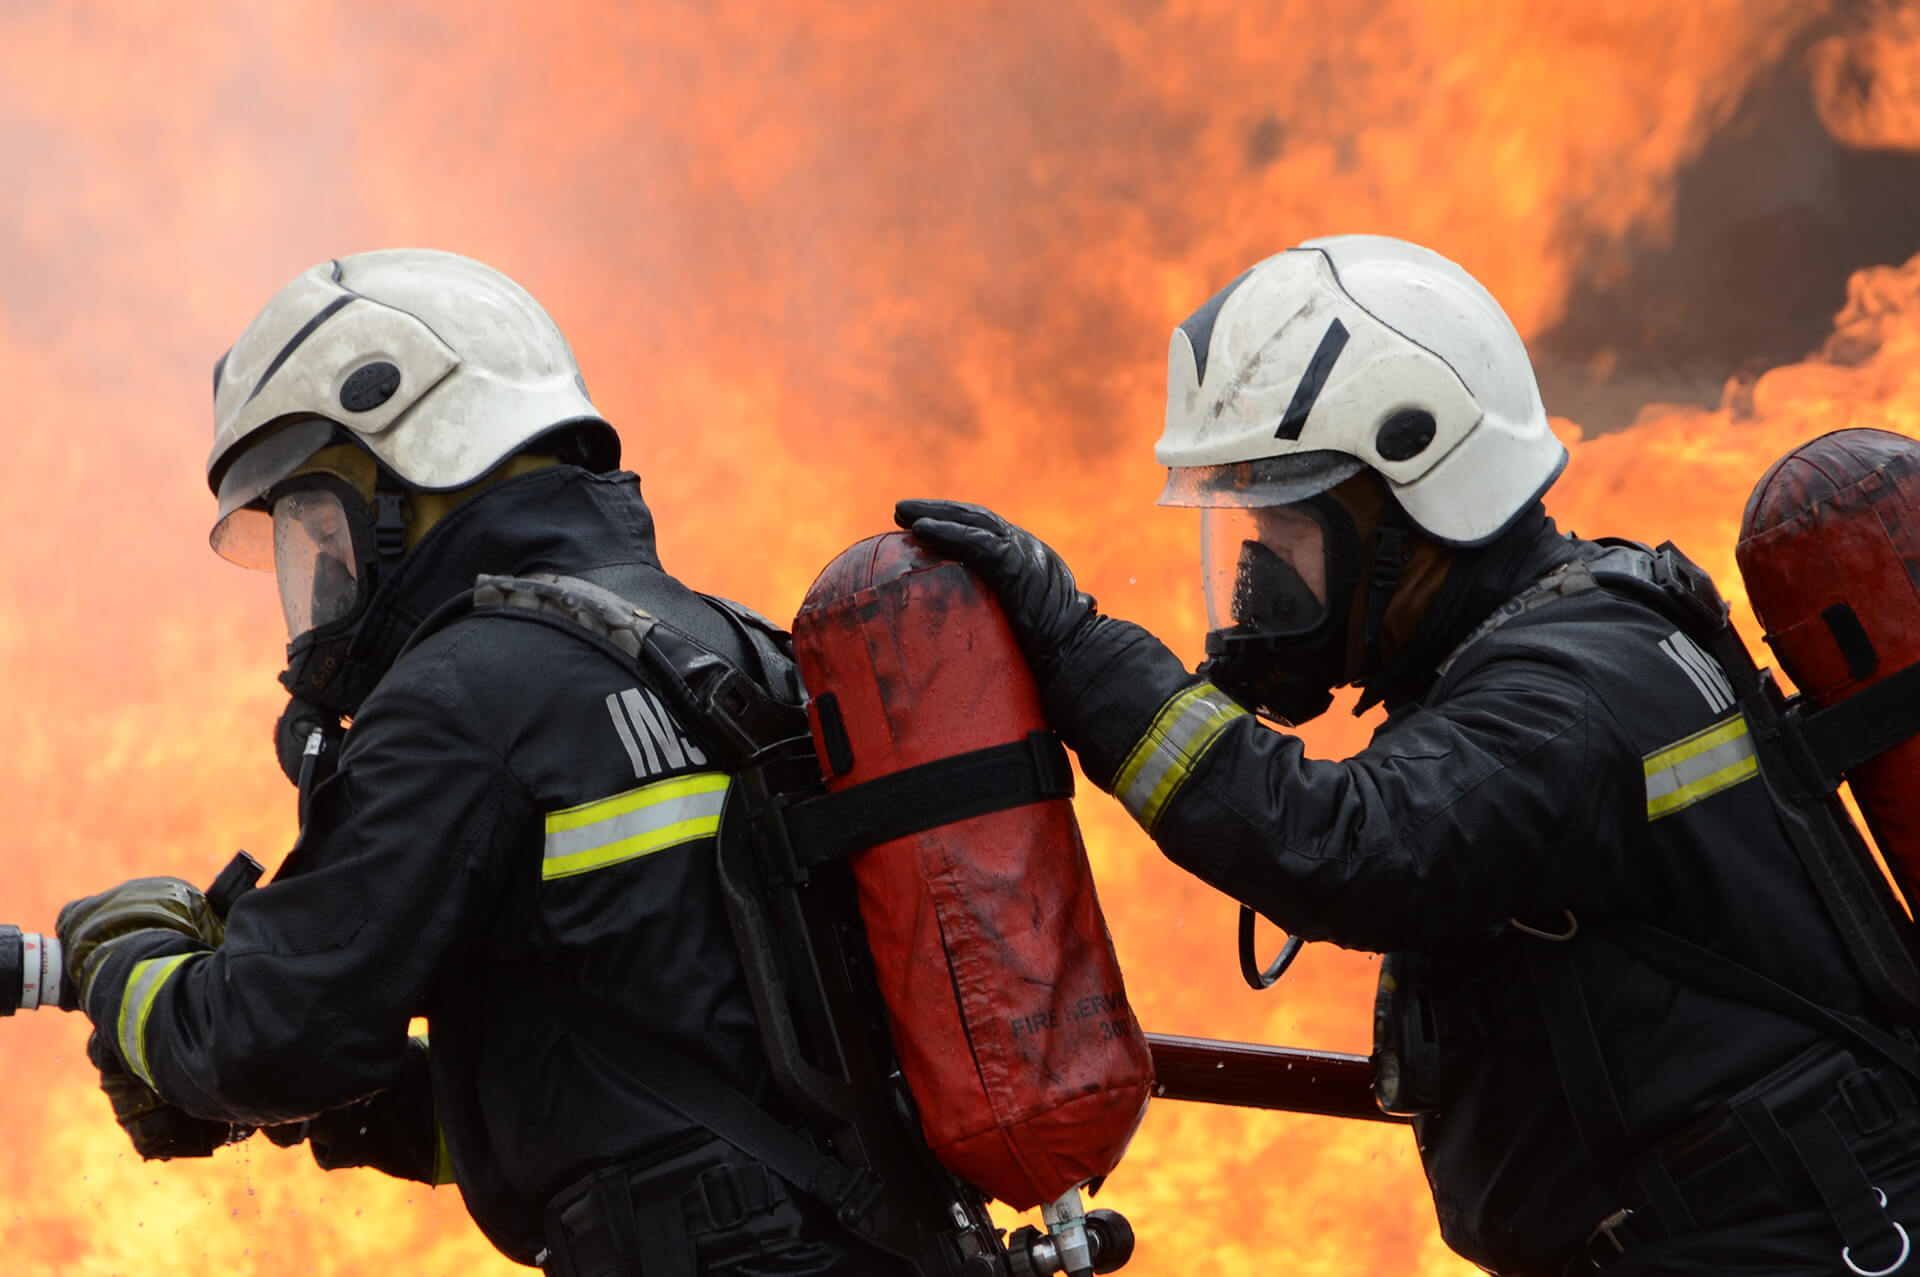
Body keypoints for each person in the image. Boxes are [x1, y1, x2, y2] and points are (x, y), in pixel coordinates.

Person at [898, 234, 1920, 1275]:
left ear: (1414, 496)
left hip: (1790, 1240)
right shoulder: (1552, 636)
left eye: (1286, 527)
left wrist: (1079, 654)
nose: (1255, 575)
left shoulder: (1568, 692)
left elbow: (1340, 849)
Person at [55, 249, 906, 1276]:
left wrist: (126, 968)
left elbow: (269, 1037)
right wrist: (348, 1111)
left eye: (318, 524)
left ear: (411, 474)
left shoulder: (463, 696)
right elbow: (626, 1078)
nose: (321, 576)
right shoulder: (732, 645)